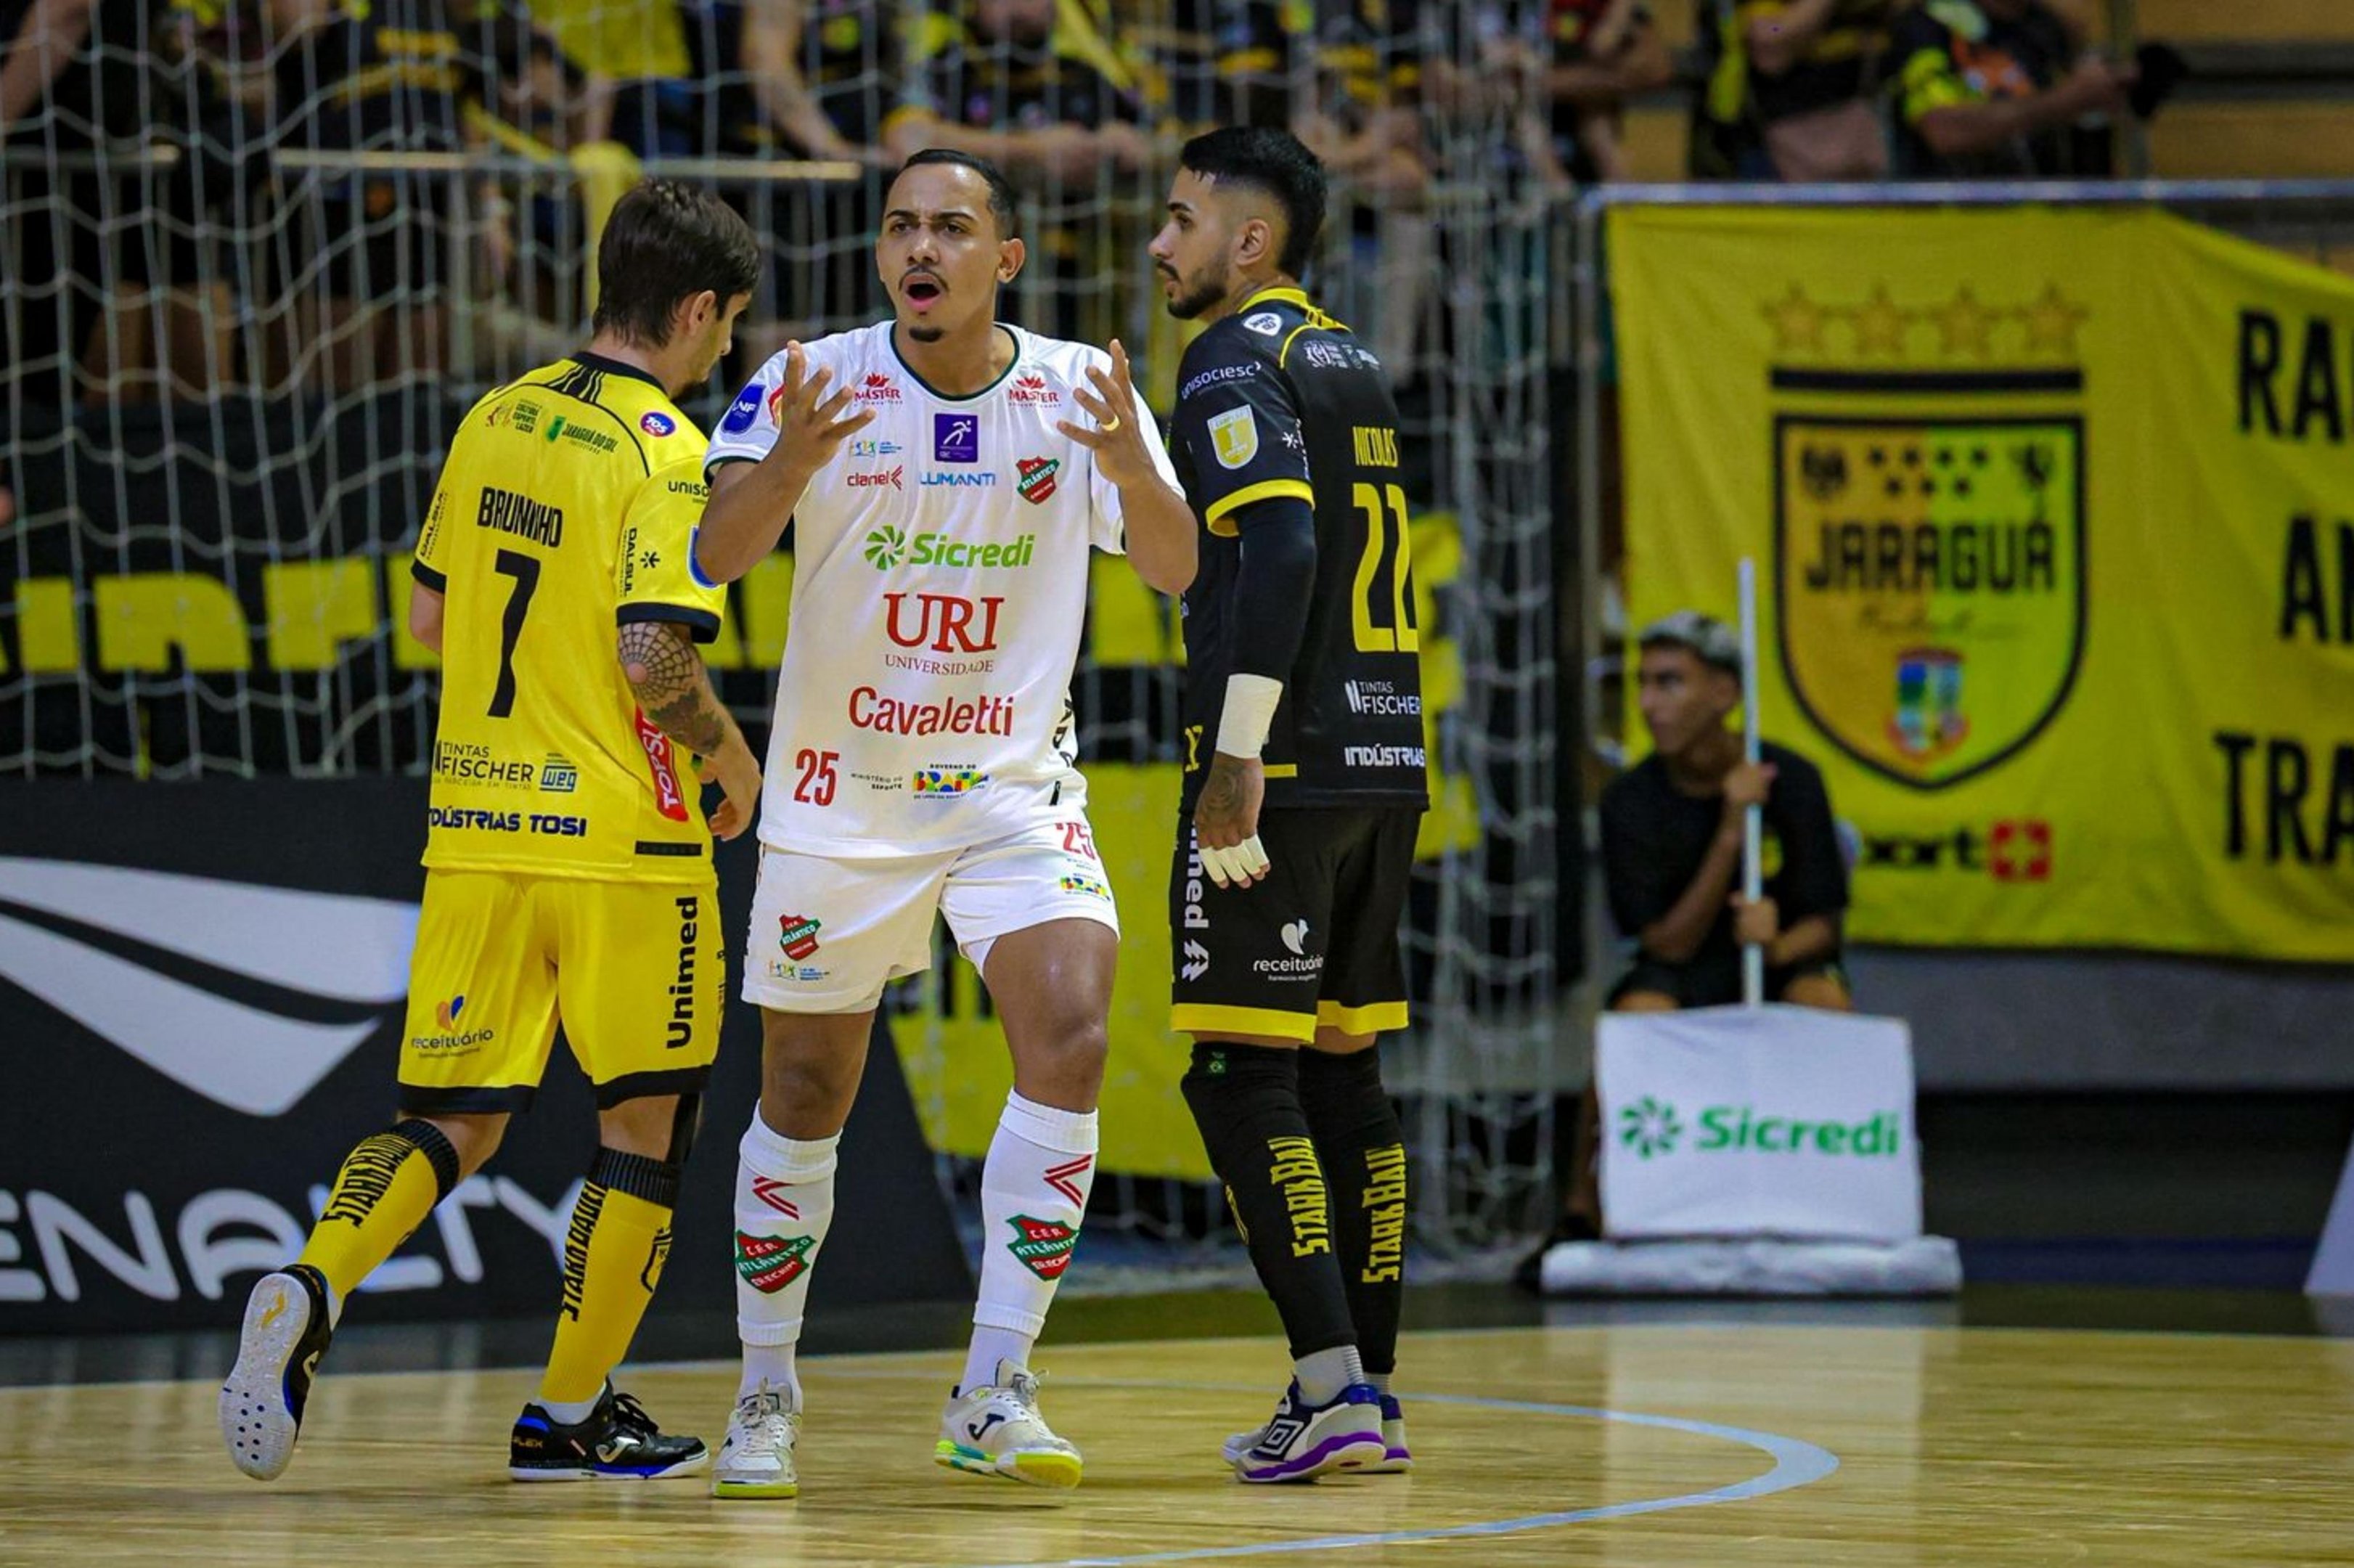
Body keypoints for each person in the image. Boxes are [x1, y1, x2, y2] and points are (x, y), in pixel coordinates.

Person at [218, 179, 766, 1485]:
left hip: (474, 826)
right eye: (728, 324)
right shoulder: (668, 450)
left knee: (450, 1119)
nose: (728, 349)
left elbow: (428, 623)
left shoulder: (493, 415)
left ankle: (315, 1275)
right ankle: (569, 1413)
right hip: (624, 845)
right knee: (645, 1125)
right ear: (694, 310)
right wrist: (731, 752)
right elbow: (652, 653)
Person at [692, 147, 1194, 1500]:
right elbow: (713, 557)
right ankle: (763, 1390)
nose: (923, 249)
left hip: (1007, 795)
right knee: (804, 1096)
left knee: (1076, 1028)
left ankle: (994, 1384)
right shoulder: (811, 379)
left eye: (952, 228)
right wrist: (789, 461)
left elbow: (1173, 565)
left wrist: (1131, 471)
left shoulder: (1082, 392)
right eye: (903, 227)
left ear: (1003, 259)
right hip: (836, 801)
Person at [1148, 125, 1428, 1484]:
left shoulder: (1228, 357)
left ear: (1246, 243)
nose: (1160, 243)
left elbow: (1285, 542)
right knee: (1344, 1075)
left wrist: (1236, 750)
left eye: (1181, 219)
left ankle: (1326, 1390)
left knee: (1236, 1075)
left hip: (1290, 768)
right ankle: (1363, 1390)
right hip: (1387, 758)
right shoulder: (1351, 359)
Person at [1525, 610, 1850, 1270]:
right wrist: (1731, 829)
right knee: (1633, 1022)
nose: (1648, 703)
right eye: (1644, 683)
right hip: (1684, 969)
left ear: (1725, 695)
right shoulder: (1629, 802)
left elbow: (1826, 919)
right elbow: (1665, 945)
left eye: (1669, 683)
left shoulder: (1795, 779)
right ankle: (1583, 1207)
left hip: (1776, 961)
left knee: (1825, 1001)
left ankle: (1842, 1198)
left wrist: (1775, 944)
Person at [1889, 0, 2131, 178]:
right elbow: (1943, 130)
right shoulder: (1927, 26)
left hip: (2053, 219)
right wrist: (2066, 100)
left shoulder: (2048, 26)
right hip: (1952, 218)